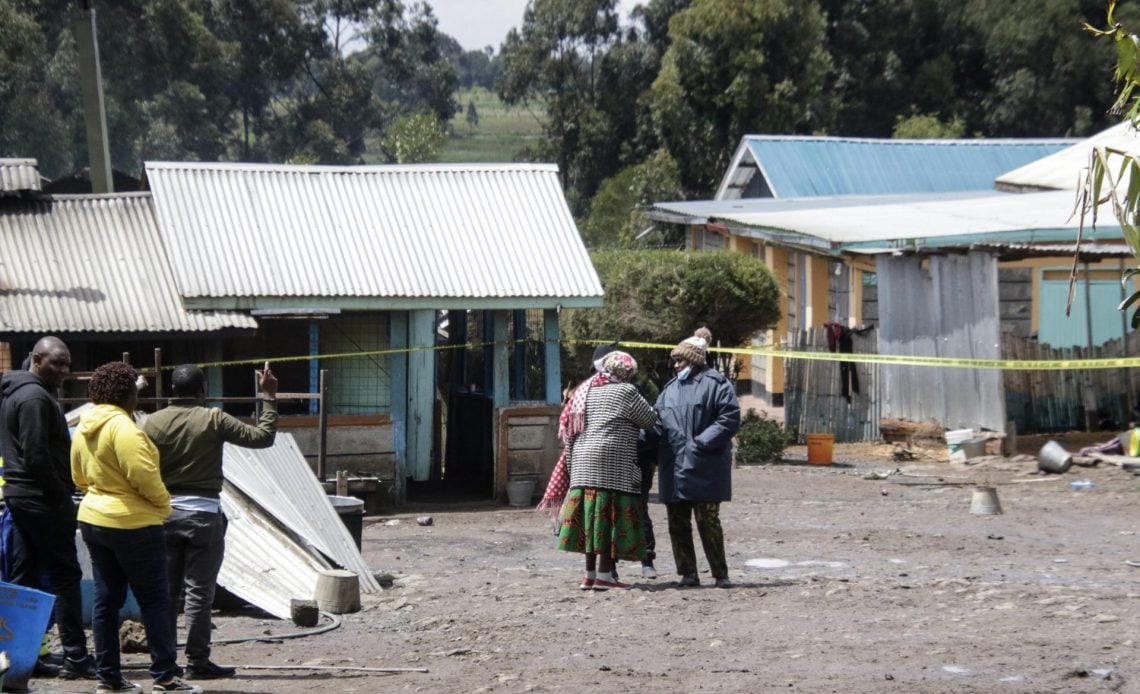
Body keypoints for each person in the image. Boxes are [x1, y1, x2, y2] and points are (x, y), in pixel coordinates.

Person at [71, 361, 200, 693]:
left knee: (106, 599)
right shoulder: (125, 429)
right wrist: (162, 505)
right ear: (126, 393)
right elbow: (144, 477)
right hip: (134, 524)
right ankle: (166, 678)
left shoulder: (84, 428)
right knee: (155, 600)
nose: (138, 399)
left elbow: (78, 477)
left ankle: (109, 679)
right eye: (135, 392)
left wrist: (102, 494)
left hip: (93, 519)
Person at [142, 363, 277, 680]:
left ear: (173, 391)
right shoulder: (213, 419)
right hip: (204, 517)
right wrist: (268, 397)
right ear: (202, 390)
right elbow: (262, 437)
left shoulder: (151, 424)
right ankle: (197, 662)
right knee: (199, 595)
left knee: (165, 596)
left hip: (163, 516)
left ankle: (164, 663)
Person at [0, 336, 96, 682]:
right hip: (40, 497)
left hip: (20, 496)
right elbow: (36, 454)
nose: (65, 371)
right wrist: (60, 494)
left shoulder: (15, 393)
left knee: (24, 580)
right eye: (58, 363)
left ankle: (22, 656)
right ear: (37, 360)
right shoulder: (35, 398)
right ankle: (75, 657)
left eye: (67, 363)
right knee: (65, 576)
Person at [556, 351, 657, 590]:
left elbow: (571, 428)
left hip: (581, 462)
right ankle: (604, 576)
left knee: (589, 520)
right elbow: (649, 419)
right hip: (611, 463)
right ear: (628, 373)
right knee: (609, 519)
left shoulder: (585, 389)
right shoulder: (627, 391)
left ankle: (589, 575)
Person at [650, 328, 740, 589]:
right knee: (677, 524)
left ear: (694, 360)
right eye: (675, 361)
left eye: (680, 360)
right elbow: (657, 421)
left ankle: (720, 574)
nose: (676, 365)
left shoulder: (718, 385)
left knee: (708, 522)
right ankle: (688, 573)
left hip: (705, 465)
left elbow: (729, 418)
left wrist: (700, 444)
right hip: (674, 466)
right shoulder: (669, 390)